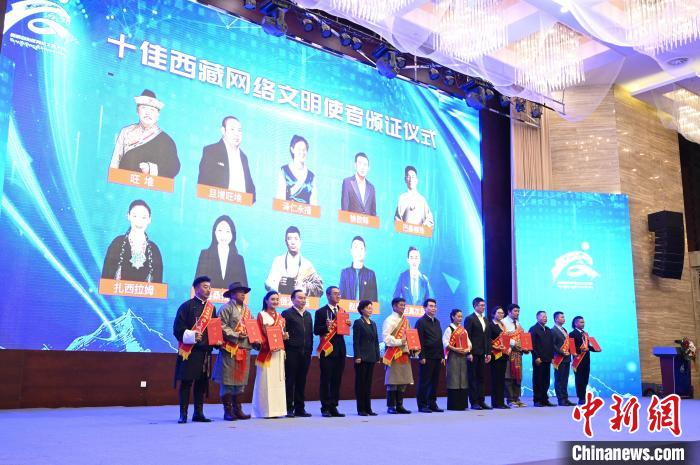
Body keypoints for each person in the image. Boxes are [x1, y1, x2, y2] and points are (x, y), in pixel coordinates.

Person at [173, 276, 219, 423]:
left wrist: (217, 340)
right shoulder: (186, 306)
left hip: (205, 352)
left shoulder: (212, 308)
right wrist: (192, 336)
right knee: (186, 382)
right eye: (205, 286)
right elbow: (177, 329)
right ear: (196, 288)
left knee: (201, 383)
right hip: (190, 351)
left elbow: (214, 329)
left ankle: (198, 413)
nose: (208, 290)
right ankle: (183, 414)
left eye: (209, 287)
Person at [109, 89, 180, 178]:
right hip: (123, 181)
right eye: (144, 108)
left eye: (152, 110)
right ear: (137, 111)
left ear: (158, 115)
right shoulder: (126, 132)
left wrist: (150, 169)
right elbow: (115, 162)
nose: (148, 113)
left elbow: (174, 167)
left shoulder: (166, 140)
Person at [212, 282, 255, 421]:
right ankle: (228, 411)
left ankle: (238, 409)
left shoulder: (247, 310)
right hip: (230, 349)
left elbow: (252, 326)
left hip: (244, 348)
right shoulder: (225, 308)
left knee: (241, 381)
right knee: (228, 381)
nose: (243, 294)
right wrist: (236, 334)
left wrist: (256, 337)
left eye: (244, 292)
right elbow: (221, 326)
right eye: (239, 292)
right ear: (231, 294)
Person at [101, 199, 164, 283]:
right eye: (135, 216)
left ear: (149, 220)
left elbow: (158, 285)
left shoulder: (154, 250)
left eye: (144, 217)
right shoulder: (117, 243)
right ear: (128, 216)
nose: (139, 221)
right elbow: (106, 280)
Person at [197, 116, 256, 201]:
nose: (237, 134)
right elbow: (203, 187)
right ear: (223, 131)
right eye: (232, 129)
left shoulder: (244, 157)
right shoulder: (211, 151)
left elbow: (251, 190)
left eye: (239, 130)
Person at [252, 291, 288, 418]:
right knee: (265, 382)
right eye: (272, 299)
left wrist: (284, 336)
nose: (275, 301)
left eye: (277, 299)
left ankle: (278, 410)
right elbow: (260, 333)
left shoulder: (281, 317)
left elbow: (281, 334)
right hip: (267, 353)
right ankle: (265, 411)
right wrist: (269, 341)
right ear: (266, 300)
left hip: (279, 352)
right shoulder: (261, 315)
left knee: (278, 382)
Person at [314, 286, 349, 417]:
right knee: (326, 379)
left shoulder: (342, 311)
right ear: (328, 295)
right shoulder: (321, 312)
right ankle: (325, 407)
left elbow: (342, 331)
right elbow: (316, 330)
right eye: (335, 293)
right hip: (327, 349)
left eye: (339, 293)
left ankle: (334, 406)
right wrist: (326, 327)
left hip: (340, 350)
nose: (338, 296)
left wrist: (347, 324)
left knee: (337, 379)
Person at [281, 289, 313, 417]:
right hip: (292, 352)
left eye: (304, 298)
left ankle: (300, 408)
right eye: (300, 298)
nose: (303, 300)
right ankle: (288, 408)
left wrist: (310, 350)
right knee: (290, 381)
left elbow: (310, 334)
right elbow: (283, 334)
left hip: (305, 353)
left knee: (301, 381)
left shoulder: (308, 315)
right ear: (292, 299)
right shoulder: (286, 313)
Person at [265, 226, 323, 297]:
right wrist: (280, 285)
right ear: (286, 242)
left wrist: (301, 286)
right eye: (289, 239)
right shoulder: (278, 260)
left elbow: (319, 289)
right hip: (281, 301)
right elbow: (268, 283)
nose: (293, 242)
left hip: (300, 301)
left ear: (300, 242)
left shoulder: (307, 264)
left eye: (296, 239)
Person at [194, 215, 248, 289]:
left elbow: (244, 288)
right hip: (208, 296)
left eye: (227, 231)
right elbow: (197, 284)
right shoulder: (205, 254)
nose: (223, 235)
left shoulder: (239, 259)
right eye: (220, 231)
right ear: (214, 232)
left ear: (233, 234)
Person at [382, 297, 414, 414]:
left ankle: (400, 405)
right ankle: (391, 406)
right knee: (393, 381)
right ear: (394, 306)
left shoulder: (406, 321)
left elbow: (409, 336)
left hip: (404, 353)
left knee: (403, 381)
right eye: (401, 305)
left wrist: (413, 346)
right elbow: (386, 338)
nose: (403, 307)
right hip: (393, 354)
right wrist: (400, 341)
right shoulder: (389, 320)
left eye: (404, 305)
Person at [415, 298, 444, 413]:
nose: (433, 308)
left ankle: (432, 403)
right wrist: (421, 356)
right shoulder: (421, 322)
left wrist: (442, 355)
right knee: (424, 382)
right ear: (424, 308)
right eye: (431, 306)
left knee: (434, 382)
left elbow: (439, 340)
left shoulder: (437, 322)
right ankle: (422, 405)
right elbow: (419, 340)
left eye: (435, 306)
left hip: (437, 356)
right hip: (426, 357)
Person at [353, 300, 380, 416]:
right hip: (362, 358)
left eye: (371, 308)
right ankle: (361, 409)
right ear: (362, 309)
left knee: (368, 384)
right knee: (361, 384)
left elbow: (376, 341)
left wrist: (377, 356)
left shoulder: (373, 323)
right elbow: (356, 341)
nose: (370, 310)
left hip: (371, 357)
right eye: (368, 308)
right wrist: (357, 356)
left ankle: (368, 408)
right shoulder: (358, 323)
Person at [465, 297, 492, 410]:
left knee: (481, 377)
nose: (483, 307)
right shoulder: (469, 318)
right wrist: (469, 352)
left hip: (482, 352)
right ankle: (474, 402)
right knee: (472, 377)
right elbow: (467, 336)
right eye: (481, 305)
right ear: (475, 306)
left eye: (484, 305)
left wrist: (488, 352)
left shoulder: (485, 319)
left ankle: (481, 401)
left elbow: (488, 337)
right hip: (473, 353)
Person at [276, 134, 317, 205]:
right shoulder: (284, 171)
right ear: (292, 150)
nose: (302, 152)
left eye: (304, 150)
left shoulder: (311, 177)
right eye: (299, 149)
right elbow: (280, 201)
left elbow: (314, 203)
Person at [442, 309, 471, 411]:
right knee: (453, 379)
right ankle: (454, 405)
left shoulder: (464, 330)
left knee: (463, 379)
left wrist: (467, 350)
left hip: (463, 356)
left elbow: (469, 343)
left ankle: (463, 404)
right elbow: (445, 343)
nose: (460, 318)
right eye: (458, 316)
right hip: (453, 356)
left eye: (461, 316)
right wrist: (455, 349)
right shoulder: (449, 329)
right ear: (453, 317)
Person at [339, 236, 378, 302]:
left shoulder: (371, 274)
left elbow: (374, 300)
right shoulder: (345, 273)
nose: (358, 251)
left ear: (365, 252)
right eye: (356, 247)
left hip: (365, 308)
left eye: (361, 248)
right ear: (351, 251)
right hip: (346, 308)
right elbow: (341, 298)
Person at [569, 316, 598, 405]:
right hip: (578, 360)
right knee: (579, 379)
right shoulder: (572, 334)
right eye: (581, 322)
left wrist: (596, 349)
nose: (583, 324)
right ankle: (581, 397)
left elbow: (587, 346)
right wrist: (580, 350)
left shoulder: (585, 334)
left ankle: (583, 395)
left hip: (586, 360)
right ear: (575, 323)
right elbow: (571, 347)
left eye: (583, 322)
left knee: (585, 379)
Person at [503, 303, 527, 407]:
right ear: (509, 312)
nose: (517, 313)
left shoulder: (518, 323)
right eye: (515, 311)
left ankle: (517, 398)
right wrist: (514, 343)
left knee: (518, 376)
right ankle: (510, 399)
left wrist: (525, 346)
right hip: (509, 353)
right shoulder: (504, 322)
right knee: (509, 376)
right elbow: (503, 337)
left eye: (518, 311)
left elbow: (523, 337)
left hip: (518, 353)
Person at [529, 311, 555, 407]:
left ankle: (545, 399)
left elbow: (551, 344)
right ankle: (537, 400)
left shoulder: (548, 329)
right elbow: (532, 345)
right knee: (538, 380)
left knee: (546, 380)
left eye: (546, 317)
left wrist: (552, 357)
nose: (545, 318)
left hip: (547, 359)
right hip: (538, 359)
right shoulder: (533, 329)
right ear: (537, 317)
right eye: (543, 316)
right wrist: (536, 357)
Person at [488, 306, 510, 409]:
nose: (501, 314)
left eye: (502, 313)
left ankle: (501, 401)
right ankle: (496, 402)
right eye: (499, 313)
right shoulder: (490, 325)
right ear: (493, 314)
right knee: (495, 379)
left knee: (501, 379)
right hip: (495, 354)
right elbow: (487, 339)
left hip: (504, 354)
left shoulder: (503, 325)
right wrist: (495, 346)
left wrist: (508, 347)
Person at [552, 311, 575, 406]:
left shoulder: (564, 329)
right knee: (559, 379)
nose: (563, 319)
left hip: (567, 358)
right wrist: (561, 352)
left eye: (564, 317)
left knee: (565, 380)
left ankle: (565, 398)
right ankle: (560, 399)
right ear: (556, 319)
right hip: (559, 358)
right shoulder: (553, 330)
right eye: (561, 317)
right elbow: (552, 345)